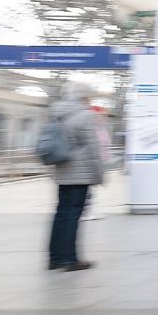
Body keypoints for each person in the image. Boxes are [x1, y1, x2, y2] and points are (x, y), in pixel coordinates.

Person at [48, 81, 106, 271]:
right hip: (80, 173)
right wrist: (99, 174)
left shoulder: (57, 113)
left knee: (61, 214)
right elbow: (93, 148)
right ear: (85, 96)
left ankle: (55, 258)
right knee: (73, 215)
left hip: (61, 169)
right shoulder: (86, 115)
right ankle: (70, 259)